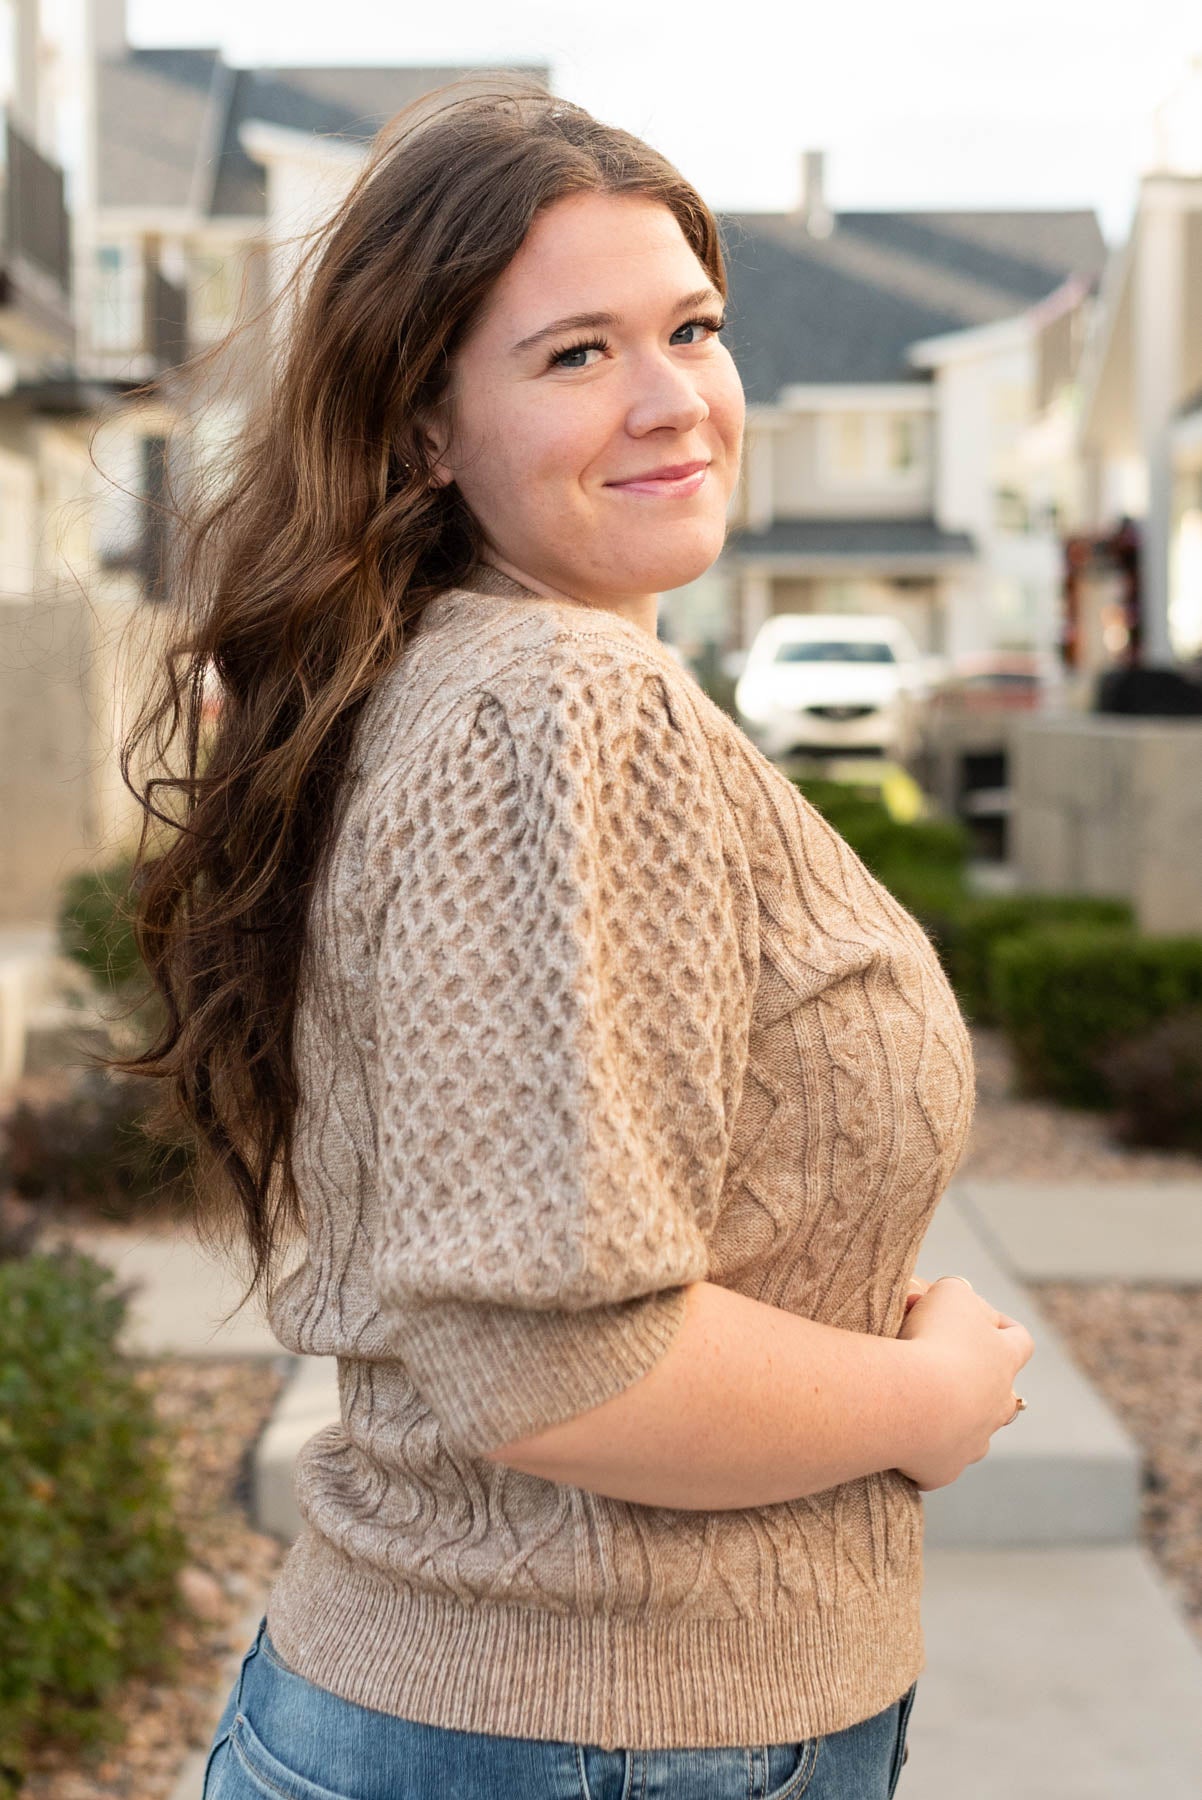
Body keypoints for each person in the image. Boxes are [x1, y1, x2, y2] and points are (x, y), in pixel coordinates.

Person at [116, 73, 1034, 1800]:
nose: (672, 399)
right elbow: (551, 1371)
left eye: (690, 326)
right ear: (423, 430)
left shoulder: (458, 678)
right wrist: (927, 1404)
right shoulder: (557, 703)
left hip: (512, 1719)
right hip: (584, 1734)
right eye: (575, 355)